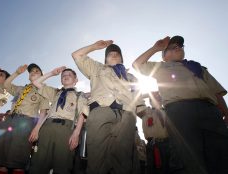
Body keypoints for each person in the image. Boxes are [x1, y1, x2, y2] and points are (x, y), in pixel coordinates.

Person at [132, 35, 228, 174]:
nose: (177, 48)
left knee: (221, 154)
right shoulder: (160, 67)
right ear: (164, 56)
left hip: (210, 111)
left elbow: (216, 92)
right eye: (171, 47)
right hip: (180, 112)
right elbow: (137, 65)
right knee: (188, 159)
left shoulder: (198, 68)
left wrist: (225, 112)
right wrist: (156, 48)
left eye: (179, 46)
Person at [72, 40, 146, 174]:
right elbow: (76, 55)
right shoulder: (96, 68)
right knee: (97, 161)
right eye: (110, 54)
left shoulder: (130, 77)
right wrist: (95, 47)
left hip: (126, 115)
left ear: (122, 58)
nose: (113, 55)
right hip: (101, 112)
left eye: (117, 54)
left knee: (124, 162)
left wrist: (142, 113)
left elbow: (138, 98)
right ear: (105, 58)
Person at [0, 64, 49, 174]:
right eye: (31, 71)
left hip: (25, 123)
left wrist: (36, 129)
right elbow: (6, 84)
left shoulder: (44, 90)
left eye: (37, 71)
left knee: (18, 161)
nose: (33, 72)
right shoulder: (21, 89)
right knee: (1, 160)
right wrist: (17, 73)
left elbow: (43, 112)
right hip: (9, 121)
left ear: (42, 76)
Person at [29, 67, 88, 174]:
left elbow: (82, 114)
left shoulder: (80, 95)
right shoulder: (55, 93)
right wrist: (51, 73)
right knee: (38, 164)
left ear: (76, 80)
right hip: (47, 128)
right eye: (63, 75)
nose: (65, 76)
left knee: (62, 165)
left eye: (69, 75)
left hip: (66, 129)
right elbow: (36, 82)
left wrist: (76, 133)